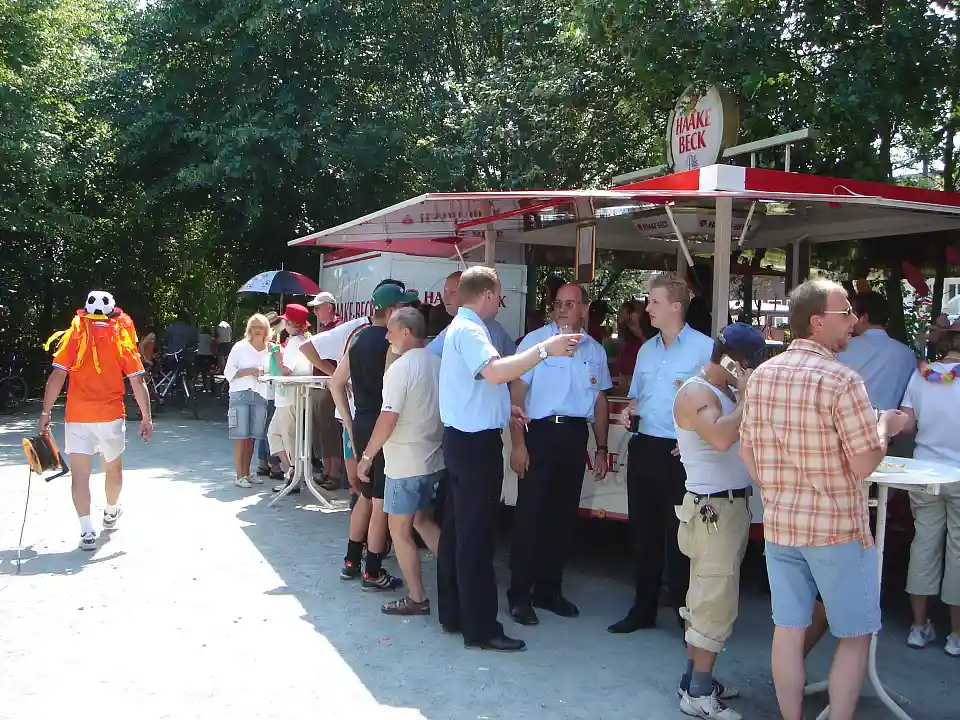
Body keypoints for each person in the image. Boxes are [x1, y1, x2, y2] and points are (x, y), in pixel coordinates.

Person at [739, 279, 909, 720]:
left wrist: (776, 491)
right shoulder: (842, 380)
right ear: (817, 322)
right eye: (845, 312)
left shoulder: (763, 375)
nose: (854, 320)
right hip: (836, 529)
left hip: (781, 525)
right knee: (855, 634)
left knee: (788, 630)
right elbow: (864, 462)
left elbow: (747, 451)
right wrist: (885, 427)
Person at [437, 265, 581, 652]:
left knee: (459, 532)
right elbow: (496, 372)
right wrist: (544, 350)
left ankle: (455, 613)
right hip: (474, 446)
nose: (499, 304)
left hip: (464, 440)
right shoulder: (470, 330)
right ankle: (481, 627)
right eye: (498, 297)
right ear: (486, 295)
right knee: (476, 538)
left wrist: (505, 408)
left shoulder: (463, 328)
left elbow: (479, 385)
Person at [672, 323, 766, 720]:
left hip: (728, 508)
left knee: (706, 596)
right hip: (714, 509)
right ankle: (698, 692)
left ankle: (695, 679)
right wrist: (748, 398)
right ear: (734, 362)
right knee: (714, 601)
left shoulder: (721, 392)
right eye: (750, 365)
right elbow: (721, 437)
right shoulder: (698, 392)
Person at [611, 274, 713, 634]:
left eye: (654, 301)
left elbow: (721, 401)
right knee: (644, 534)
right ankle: (643, 609)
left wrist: (695, 436)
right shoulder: (647, 350)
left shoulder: (704, 348)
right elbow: (637, 397)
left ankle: (687, 616)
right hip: (644, 446)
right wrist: (629, 411)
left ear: (676, 306)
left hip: (680, 453)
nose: (647, 307)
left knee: (681, 537)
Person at [507, 283, 611, 626]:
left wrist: (601, 447)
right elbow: (517, 395)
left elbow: (599, 400)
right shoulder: (536, 342)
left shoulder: (594, 350)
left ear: (584, 309)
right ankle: (519, 595)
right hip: (540, 434)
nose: (562, 309)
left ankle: (549, 590)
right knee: (530, 517)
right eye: (558, 303)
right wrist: (518, 444)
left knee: (562, 517)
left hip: (574, 435)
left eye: (570, 303)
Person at [39, 291, 152, 549]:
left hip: (77, 416)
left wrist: (45, 412)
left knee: (80, 475)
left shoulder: (75, 335)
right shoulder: (120, 336)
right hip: (111, 416)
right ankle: (111, 512)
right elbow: (137, 381)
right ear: (113, 310)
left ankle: (86, 532)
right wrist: (146, 416)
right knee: (113, 470)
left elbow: (57, 377)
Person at [330, 283, 418, 590]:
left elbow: (335, 382)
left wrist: (349, 422)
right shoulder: (392, 344)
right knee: (380, 501)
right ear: (392, 310)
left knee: (365, 496)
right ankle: (373, 571)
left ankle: (351, 561)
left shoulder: (358, 337)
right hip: (384, 425)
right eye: (404, 306)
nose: (409, 311)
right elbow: (393, 391)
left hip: (362, 422)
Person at [356, 308, 443, 615]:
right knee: (423, 521)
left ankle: (417, 598)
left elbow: (388, 418)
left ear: (406, 332)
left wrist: (367, 457)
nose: (387, 336)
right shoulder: (437, 363)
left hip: (404, 463)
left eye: (391, 331)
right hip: (433, 459)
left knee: (400, 531)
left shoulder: (400, 368)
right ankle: (459, 577)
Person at [898, 314, 960, 656]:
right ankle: (956, 635)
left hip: (924, 472)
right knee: (959, 552)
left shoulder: (922, 376)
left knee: (923, 545)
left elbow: (907, 426)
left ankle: (918, 627)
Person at [837, 291, 916, 411]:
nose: (849, 320)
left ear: (864, 318)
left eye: (852, 314)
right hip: (892, 420)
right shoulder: (907, 354)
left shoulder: (842, 347)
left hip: (850, 418)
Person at [266, 304, 314, 488]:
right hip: (290, 396)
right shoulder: (300, 341)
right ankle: (291, 474)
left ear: (290, 323)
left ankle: (294, 478)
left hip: (289, 397)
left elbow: (286, 370)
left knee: (288, 437)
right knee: (275, 434)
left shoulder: (295, 343)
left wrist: (277, 354)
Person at [223, 314, 271, 487]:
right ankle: (239, 476)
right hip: (240, 393)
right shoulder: (240, 347)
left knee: (253, 437)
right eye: (254, 327)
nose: (258, 330)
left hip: (261, 394)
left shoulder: (270, 349)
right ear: (249, 329)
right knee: (240, 436)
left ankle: (247, 473)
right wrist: (250, 371)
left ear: (266, 330)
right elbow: (228, 372)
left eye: (261, 327)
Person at [428, 270, 516, 358]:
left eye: (453, 292)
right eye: (445, 292)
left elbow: (426, 356)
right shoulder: (464, 327)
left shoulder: (468, 327)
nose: (445, 298)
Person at [307, 291, 344, 490]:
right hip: (321, 384)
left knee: (331, 429)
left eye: (317, 308)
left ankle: (334, 473)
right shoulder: (325, 329)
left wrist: (334, 376)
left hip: (330, 386)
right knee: (323, 430)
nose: (315, 312)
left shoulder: (337, 328)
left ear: (329, 308)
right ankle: (328, 471)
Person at [610, 299, 648, 393]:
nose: (638, 328)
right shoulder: (630, 346)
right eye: (631, 324)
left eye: (640, 322)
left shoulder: (658, 345)